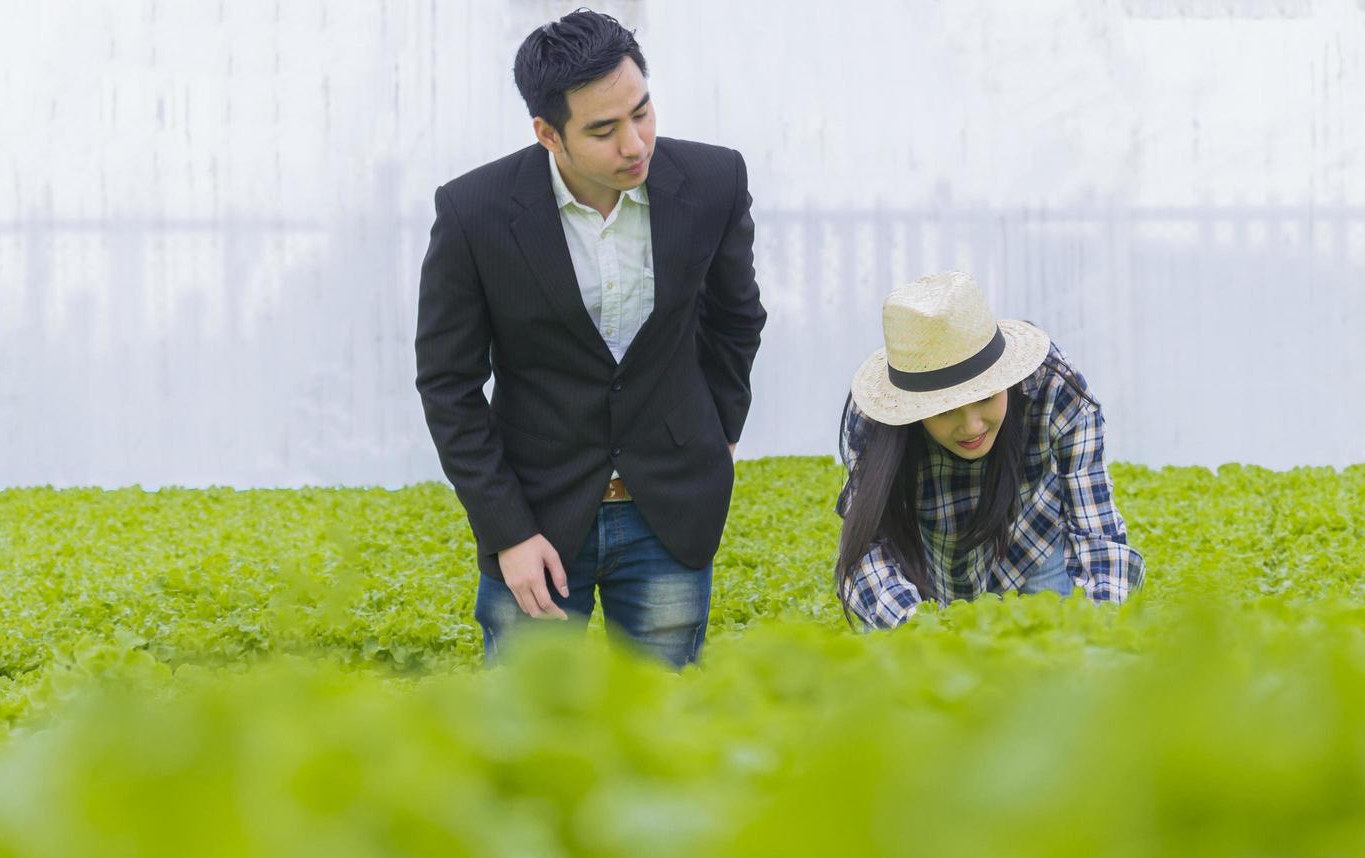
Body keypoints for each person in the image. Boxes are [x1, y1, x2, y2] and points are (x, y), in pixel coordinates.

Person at [415, 9, 766, 667]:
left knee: (658, 732)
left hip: (670, 506)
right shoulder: (474, 213)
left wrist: (717, 430)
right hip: (535, 516)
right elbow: (448, 383)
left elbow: (734, 319)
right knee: (529, 735)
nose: (634, 143)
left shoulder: (715, 182)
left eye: (642, 111)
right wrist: (507, 532)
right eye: (603, 130)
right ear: (548, 133)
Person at [835, 270, 1143, 629]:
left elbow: (1097, 534)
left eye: (985, 397)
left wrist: (1101, 634)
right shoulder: (875, 421)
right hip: (928, 558)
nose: (972, 426)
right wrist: (918, 632)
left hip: (1032, 543)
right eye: (944, 409)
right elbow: (866, 553)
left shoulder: (1056, 389)